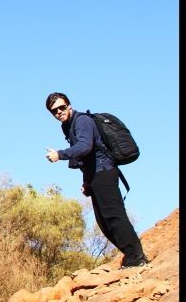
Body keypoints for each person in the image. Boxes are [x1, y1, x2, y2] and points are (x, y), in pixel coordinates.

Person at [44, 92, 148, 268]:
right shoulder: (67, 126)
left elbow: (85, 146)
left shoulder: (82, 121)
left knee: (115, 216)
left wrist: (60, 155)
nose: (59, 112)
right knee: (104, 223)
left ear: (69, 105)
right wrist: (86, 182)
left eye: (62, 107)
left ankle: (136, 257)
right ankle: (132, 256)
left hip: (105, 171)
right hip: (95, 175)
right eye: (55, 111)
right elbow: (85, 158)